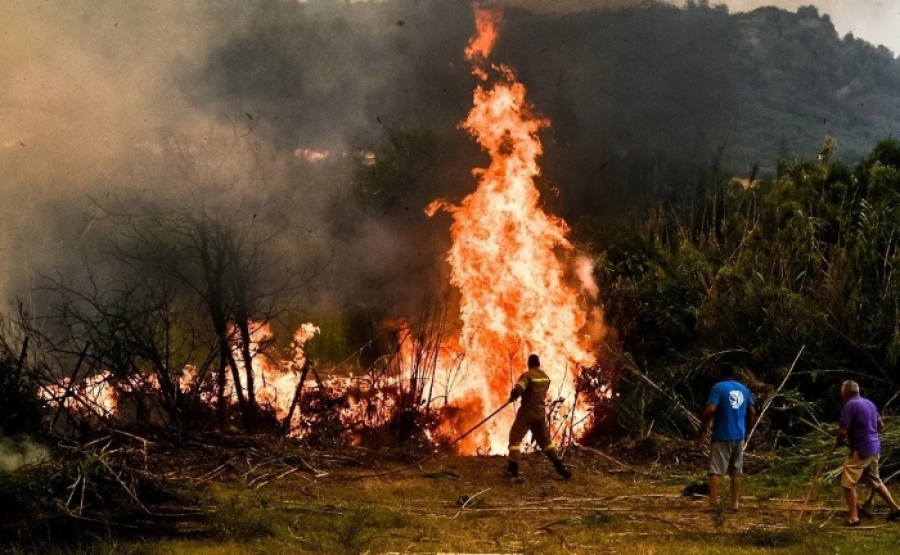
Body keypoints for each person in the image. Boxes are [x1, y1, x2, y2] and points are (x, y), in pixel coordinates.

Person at [836, 380, 900, 526]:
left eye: (842, 391)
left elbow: (842, 431)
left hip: (862, 450)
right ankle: (895, 508)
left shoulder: (849, 405)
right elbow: (880, 425)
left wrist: (839, 440)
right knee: (874, 480)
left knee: (848, 483)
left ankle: (854, 517)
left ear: (845, 392)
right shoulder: (869, 403)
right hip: (874, 447)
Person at [695, 363, 756, 510]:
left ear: (720, 374)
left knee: (715, 469)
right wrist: (747, 428)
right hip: (739, 435)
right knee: (736, 470)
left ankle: (713, 503)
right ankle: (735, 503)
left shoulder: (718, 388)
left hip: (722, 434)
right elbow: (752, 412)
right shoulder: (743, 389)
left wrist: (703, 426)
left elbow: (710, 409)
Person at [506, 354, 572, 479]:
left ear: (529, 364)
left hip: (526, 413)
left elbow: (519, 388)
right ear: (539, 364)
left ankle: (512, 469)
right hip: (540, 414)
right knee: (546, 442)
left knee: (515, 438)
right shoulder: (546, 378)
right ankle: (560, 467)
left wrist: (513, 395)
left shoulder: (528, 375)